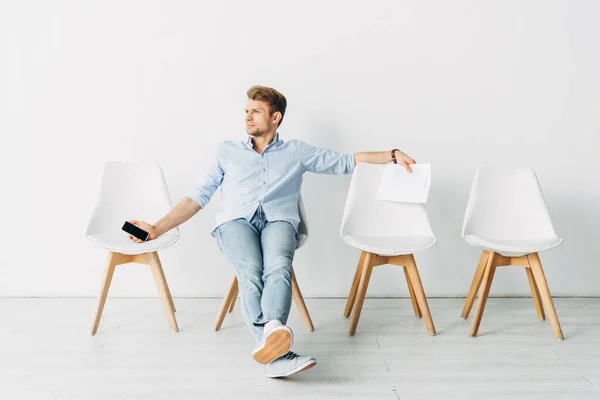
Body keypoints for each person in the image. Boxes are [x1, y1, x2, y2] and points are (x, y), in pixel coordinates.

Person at [128, 85, 415, 378]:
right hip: (235, 222)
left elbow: (346, 161)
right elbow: (195, 198)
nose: (248, 117)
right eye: (246, 111)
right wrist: (156, 228)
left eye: (255, 111)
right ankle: (276, 343)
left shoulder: (297, 151)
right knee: (251, 270)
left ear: (275, 117)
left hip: (279, 221)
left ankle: (273, 340)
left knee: (278, 266)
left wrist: (393, 155)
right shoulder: (225, 152)